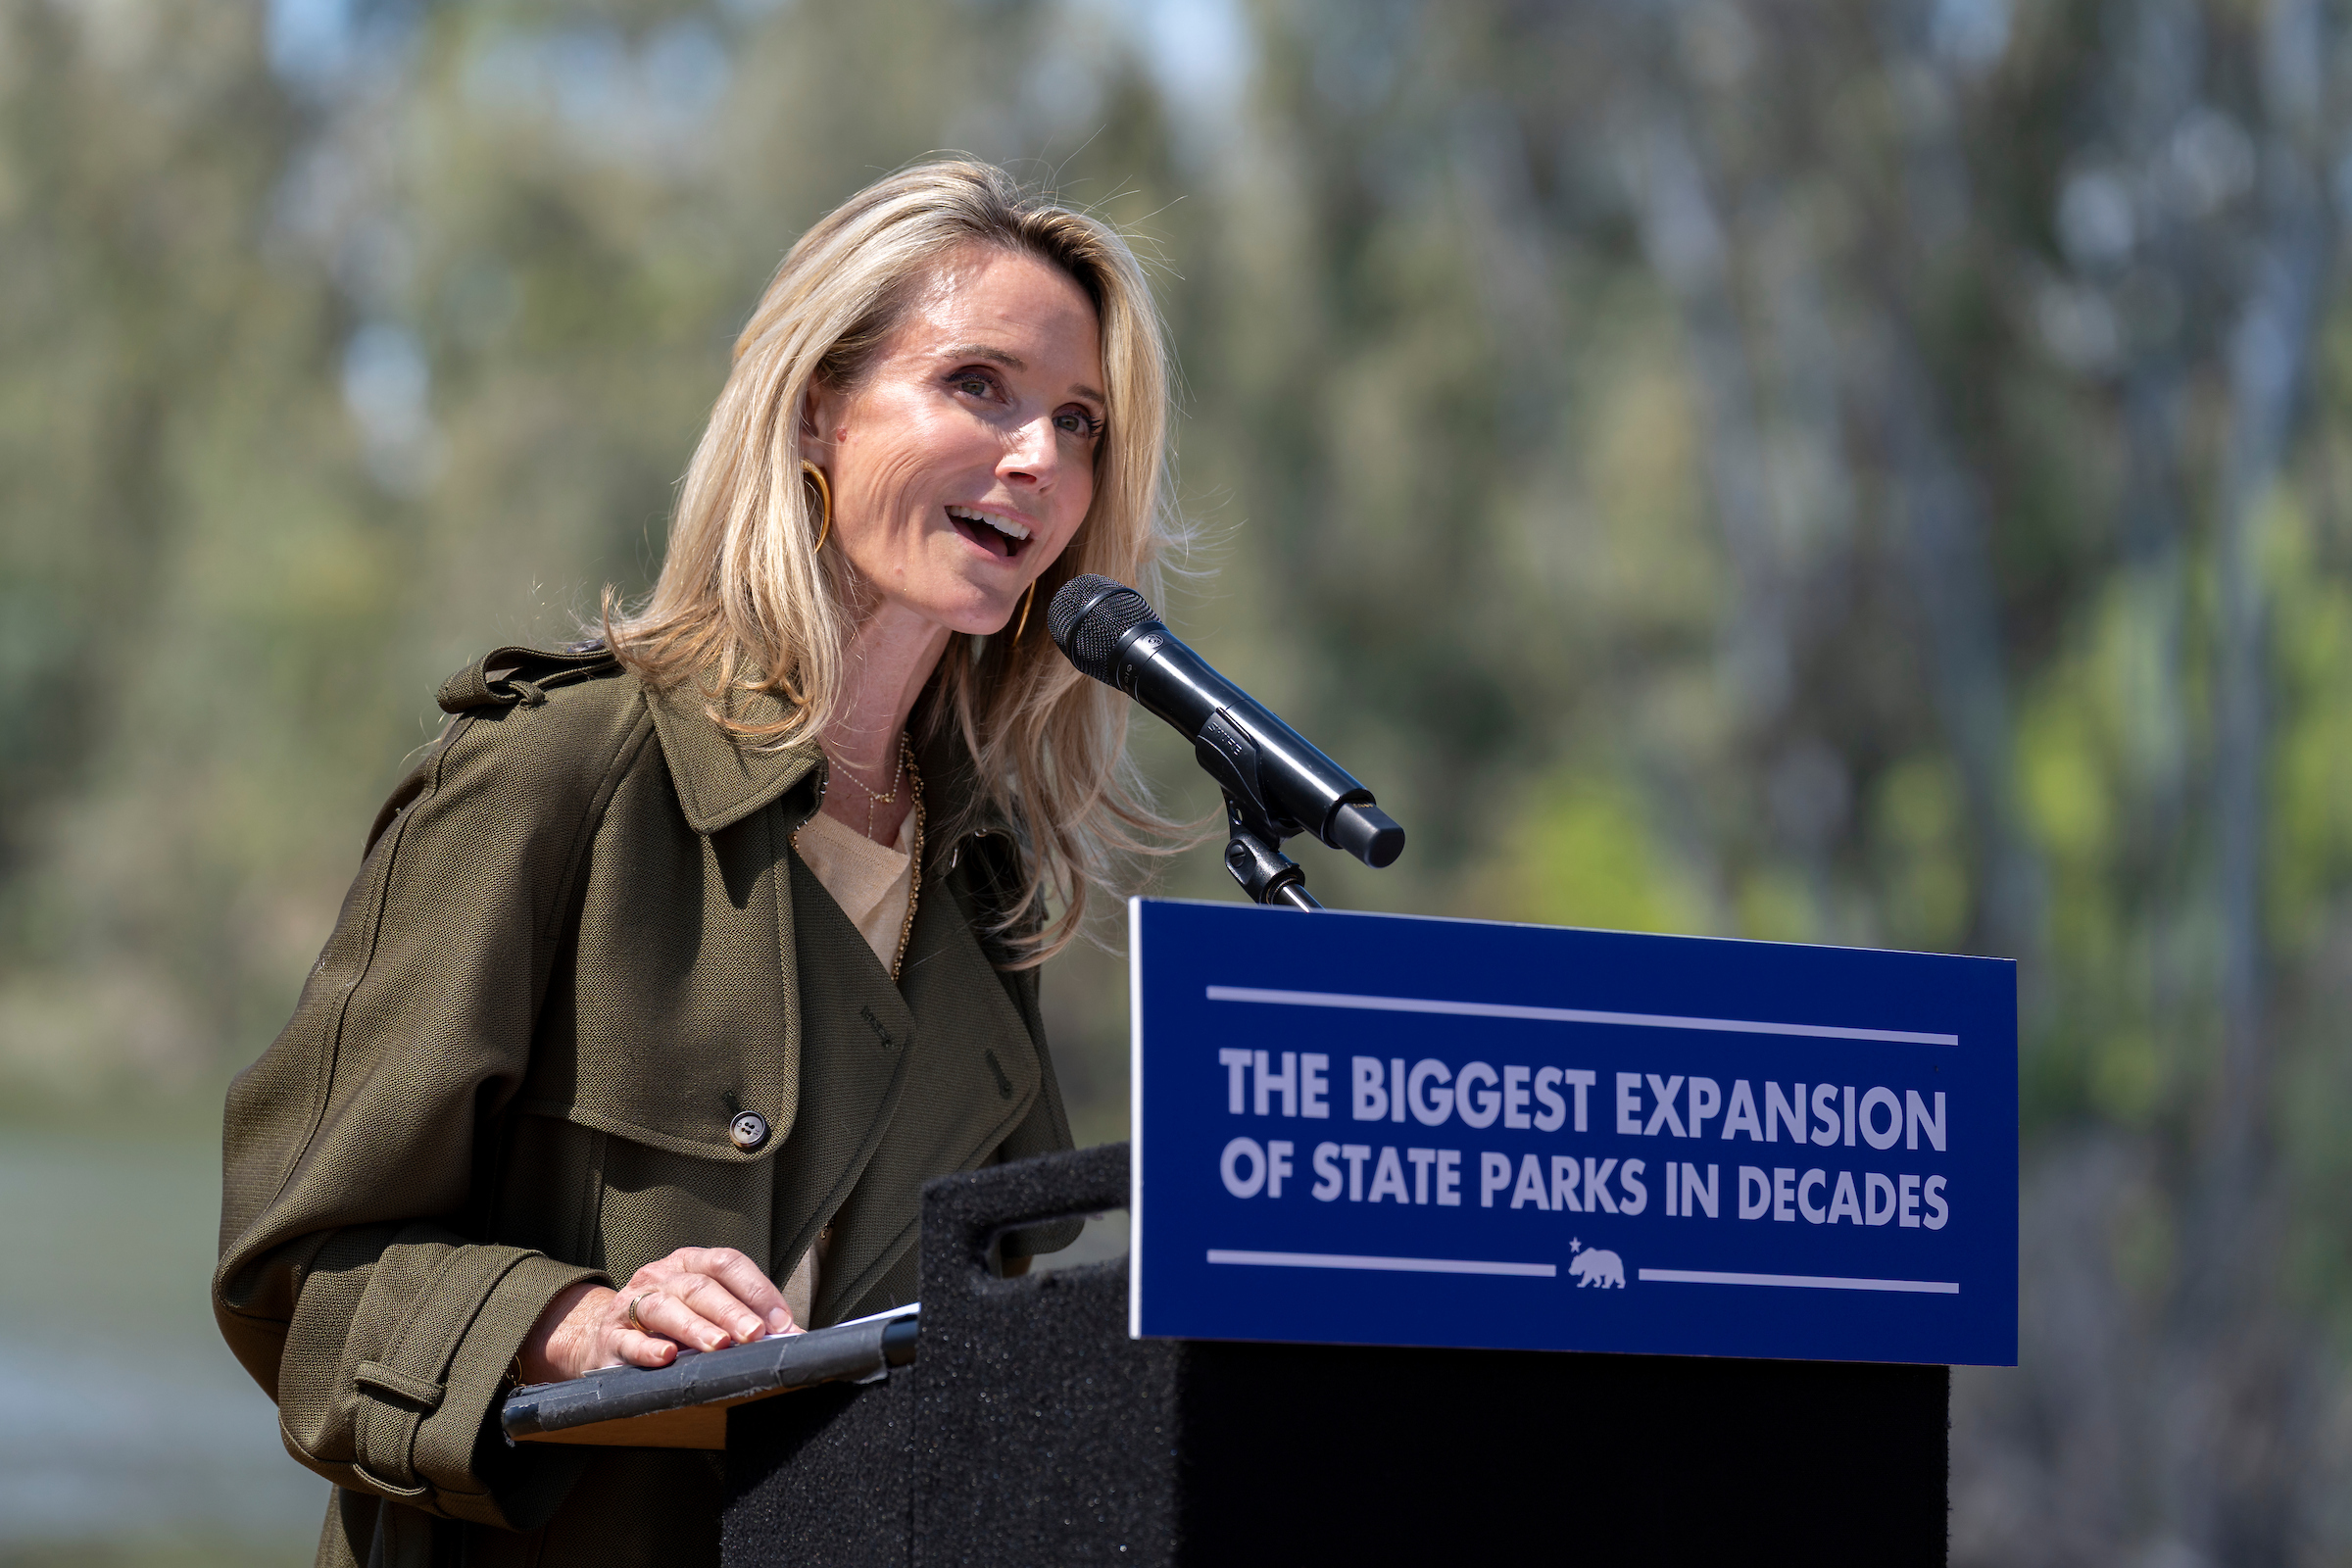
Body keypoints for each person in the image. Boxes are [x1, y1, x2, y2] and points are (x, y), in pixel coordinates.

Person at [213, 160, 1179, 1568]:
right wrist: (575, 1326)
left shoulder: (989, 881)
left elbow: (982, 1333)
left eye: (1079, 422)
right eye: (979, 385)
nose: (1042, 459)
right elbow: (302, 1272)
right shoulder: (561, 773)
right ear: (815, 410)